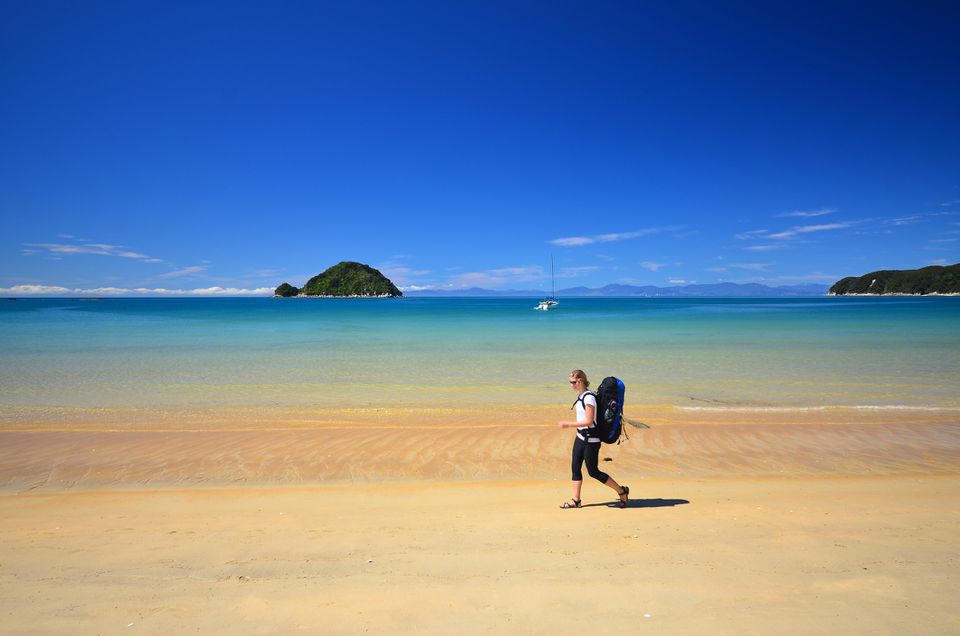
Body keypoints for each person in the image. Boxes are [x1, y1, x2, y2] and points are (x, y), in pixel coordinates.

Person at [557, 370, 629, 509]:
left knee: (593, 472)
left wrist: (568, 424)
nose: (571, 385)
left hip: (591, 441)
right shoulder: (582, 396)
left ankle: (622, 491)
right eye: (570, 382)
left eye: (572, 382)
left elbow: (589, 421)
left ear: (580, 381)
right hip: (580, 437)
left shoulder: (589, 398)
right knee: (575, 468)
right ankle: (576, 500)